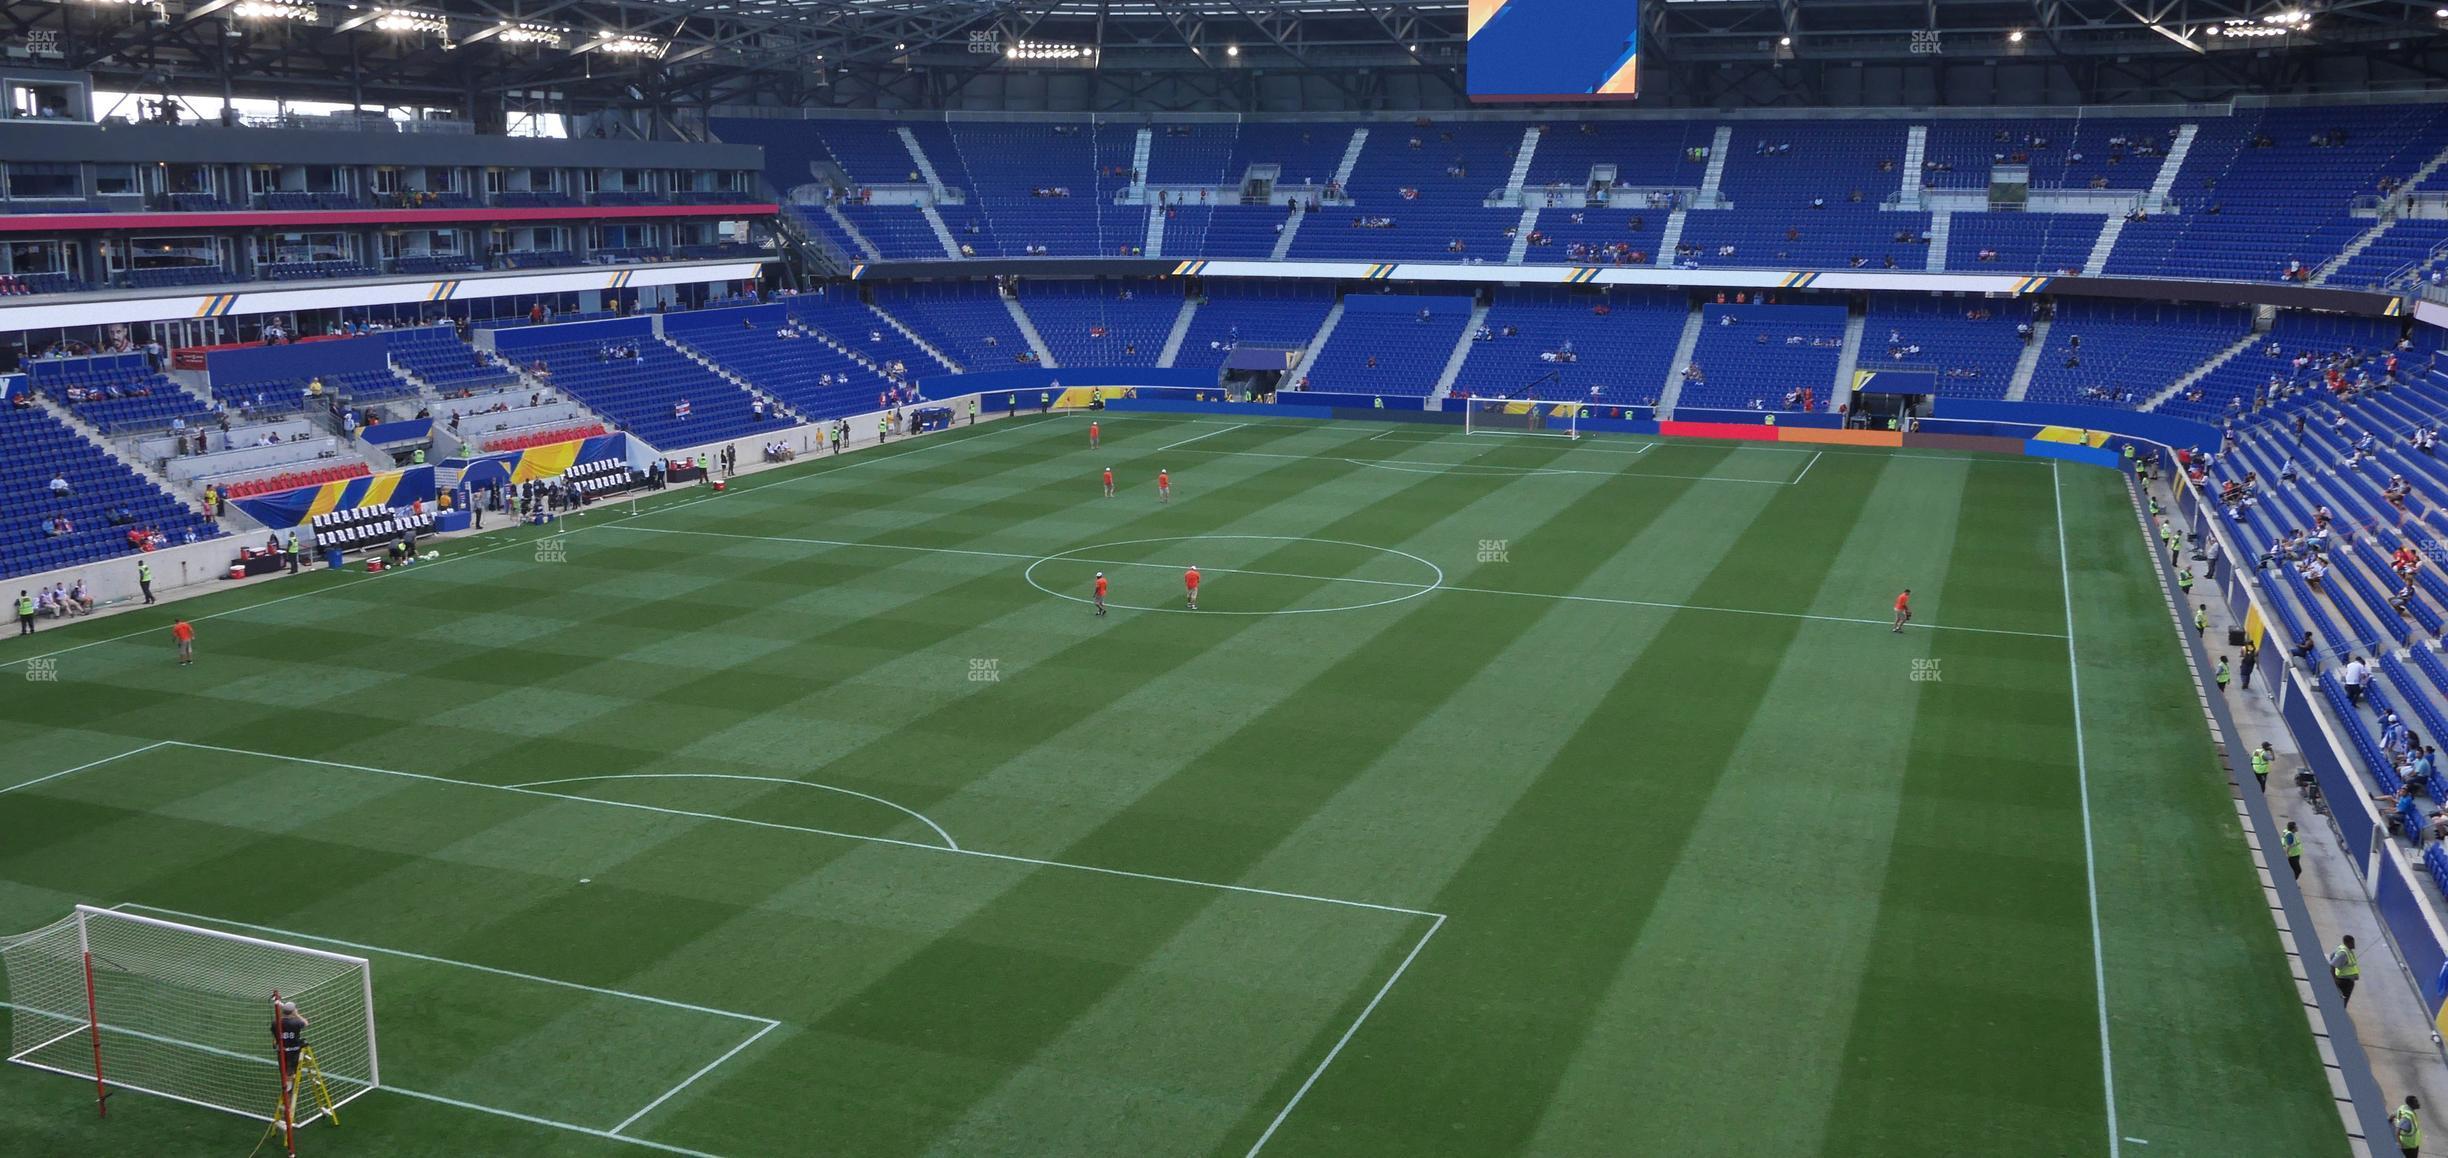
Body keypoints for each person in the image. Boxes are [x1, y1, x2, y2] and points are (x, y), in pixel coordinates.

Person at [273, 998, 309, 1096]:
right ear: (293, 1011)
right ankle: (288, 1091)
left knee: (285, 1072)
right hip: (295, 1051)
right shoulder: (296, 1023)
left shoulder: (275, 1023)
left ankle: (288, 1087)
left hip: (282, 1051)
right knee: (293, 1071)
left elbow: (275, 1035)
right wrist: (296, 1014)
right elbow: (305, 1023)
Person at [2331, 935, 2360, 1006]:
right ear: (2348, 943)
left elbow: (2332, 956)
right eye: (2352, 942)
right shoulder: (2343, 954)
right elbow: (2332, 965)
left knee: (2341, 1001)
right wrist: (2334, 979)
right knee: (2341, 1002)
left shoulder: (2345, 949)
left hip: (2346, 981)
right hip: (2344, 982)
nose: (2354, 944)